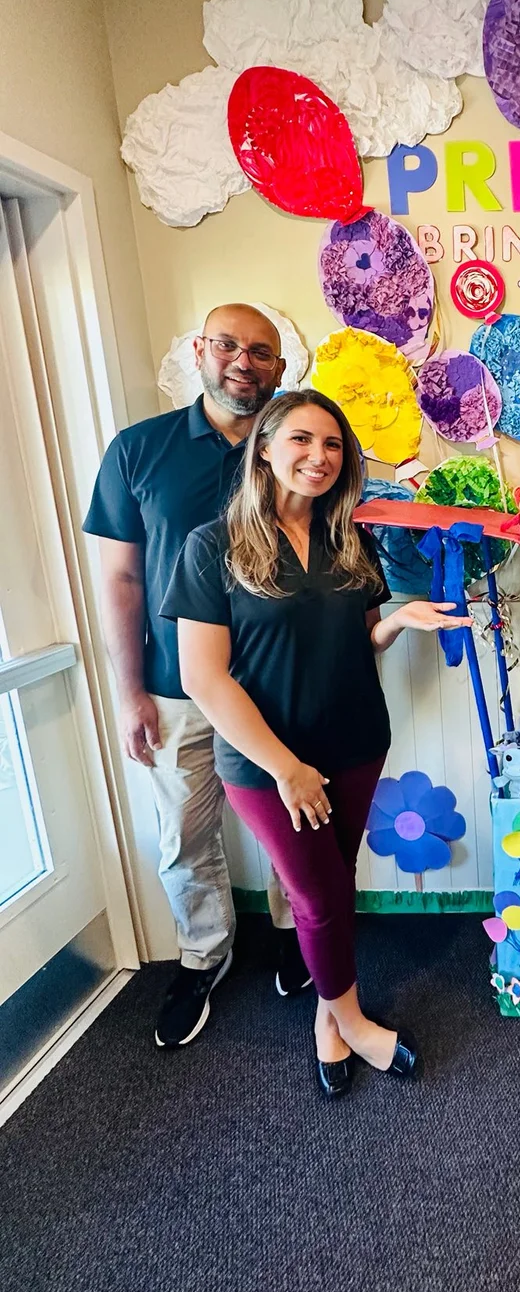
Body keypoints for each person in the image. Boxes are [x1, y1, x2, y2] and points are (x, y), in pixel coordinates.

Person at [161, 389, 472, 1096]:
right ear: (264, 450)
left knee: (332, 883)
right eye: (301, 439)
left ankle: (327, 1021)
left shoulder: (349, 537)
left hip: (356, 742)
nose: (319, 456)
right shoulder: (211, 547)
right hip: (268, 764)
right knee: (317, 894)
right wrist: (286, 768)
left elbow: (358, 641)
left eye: (332, 444)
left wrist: (396, 624)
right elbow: (204, 679)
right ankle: (354, 1022)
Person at [85, 306, 306, 1050]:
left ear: (279, 368)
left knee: (291, 819)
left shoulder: (296, 449)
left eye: (262, 352)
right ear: (199, 352)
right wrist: (128, 693)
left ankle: (296, 935)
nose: (244, 361)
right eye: (228, 345)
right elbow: (120, 579)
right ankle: (203, 955)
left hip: (278, 684)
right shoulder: (138, 451)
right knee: (183, 833)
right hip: (175, 686)